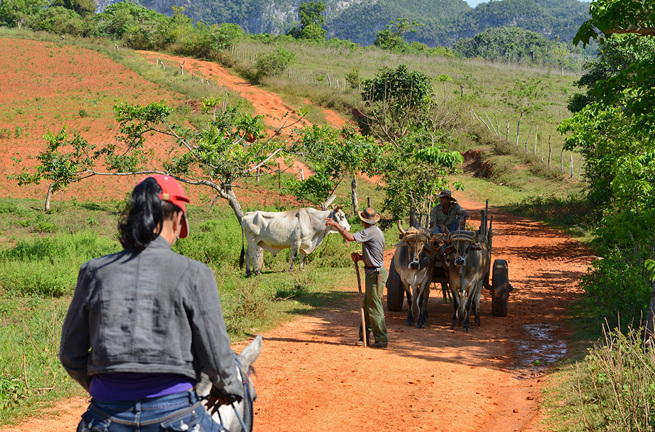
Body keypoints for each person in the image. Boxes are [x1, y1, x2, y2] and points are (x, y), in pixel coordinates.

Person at [59, 174, 243, 432]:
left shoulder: (94, 271)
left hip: (104, 417)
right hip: (176, 413)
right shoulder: (195, 273)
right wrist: (230, 389)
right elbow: (215, 356)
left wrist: (109, 389)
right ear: (178, 219)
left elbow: (70, 355)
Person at [326, 207, 388, 349]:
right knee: (367, 306)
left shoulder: (370, 231)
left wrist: (336, 225)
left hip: (375, 274)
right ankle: (364, 336)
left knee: (374, 307)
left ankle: (381, 339)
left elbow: (349, 237)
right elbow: (374, 253)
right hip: (372, 272)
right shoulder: (375, 231)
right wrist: (361, 258)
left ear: (363, 221)